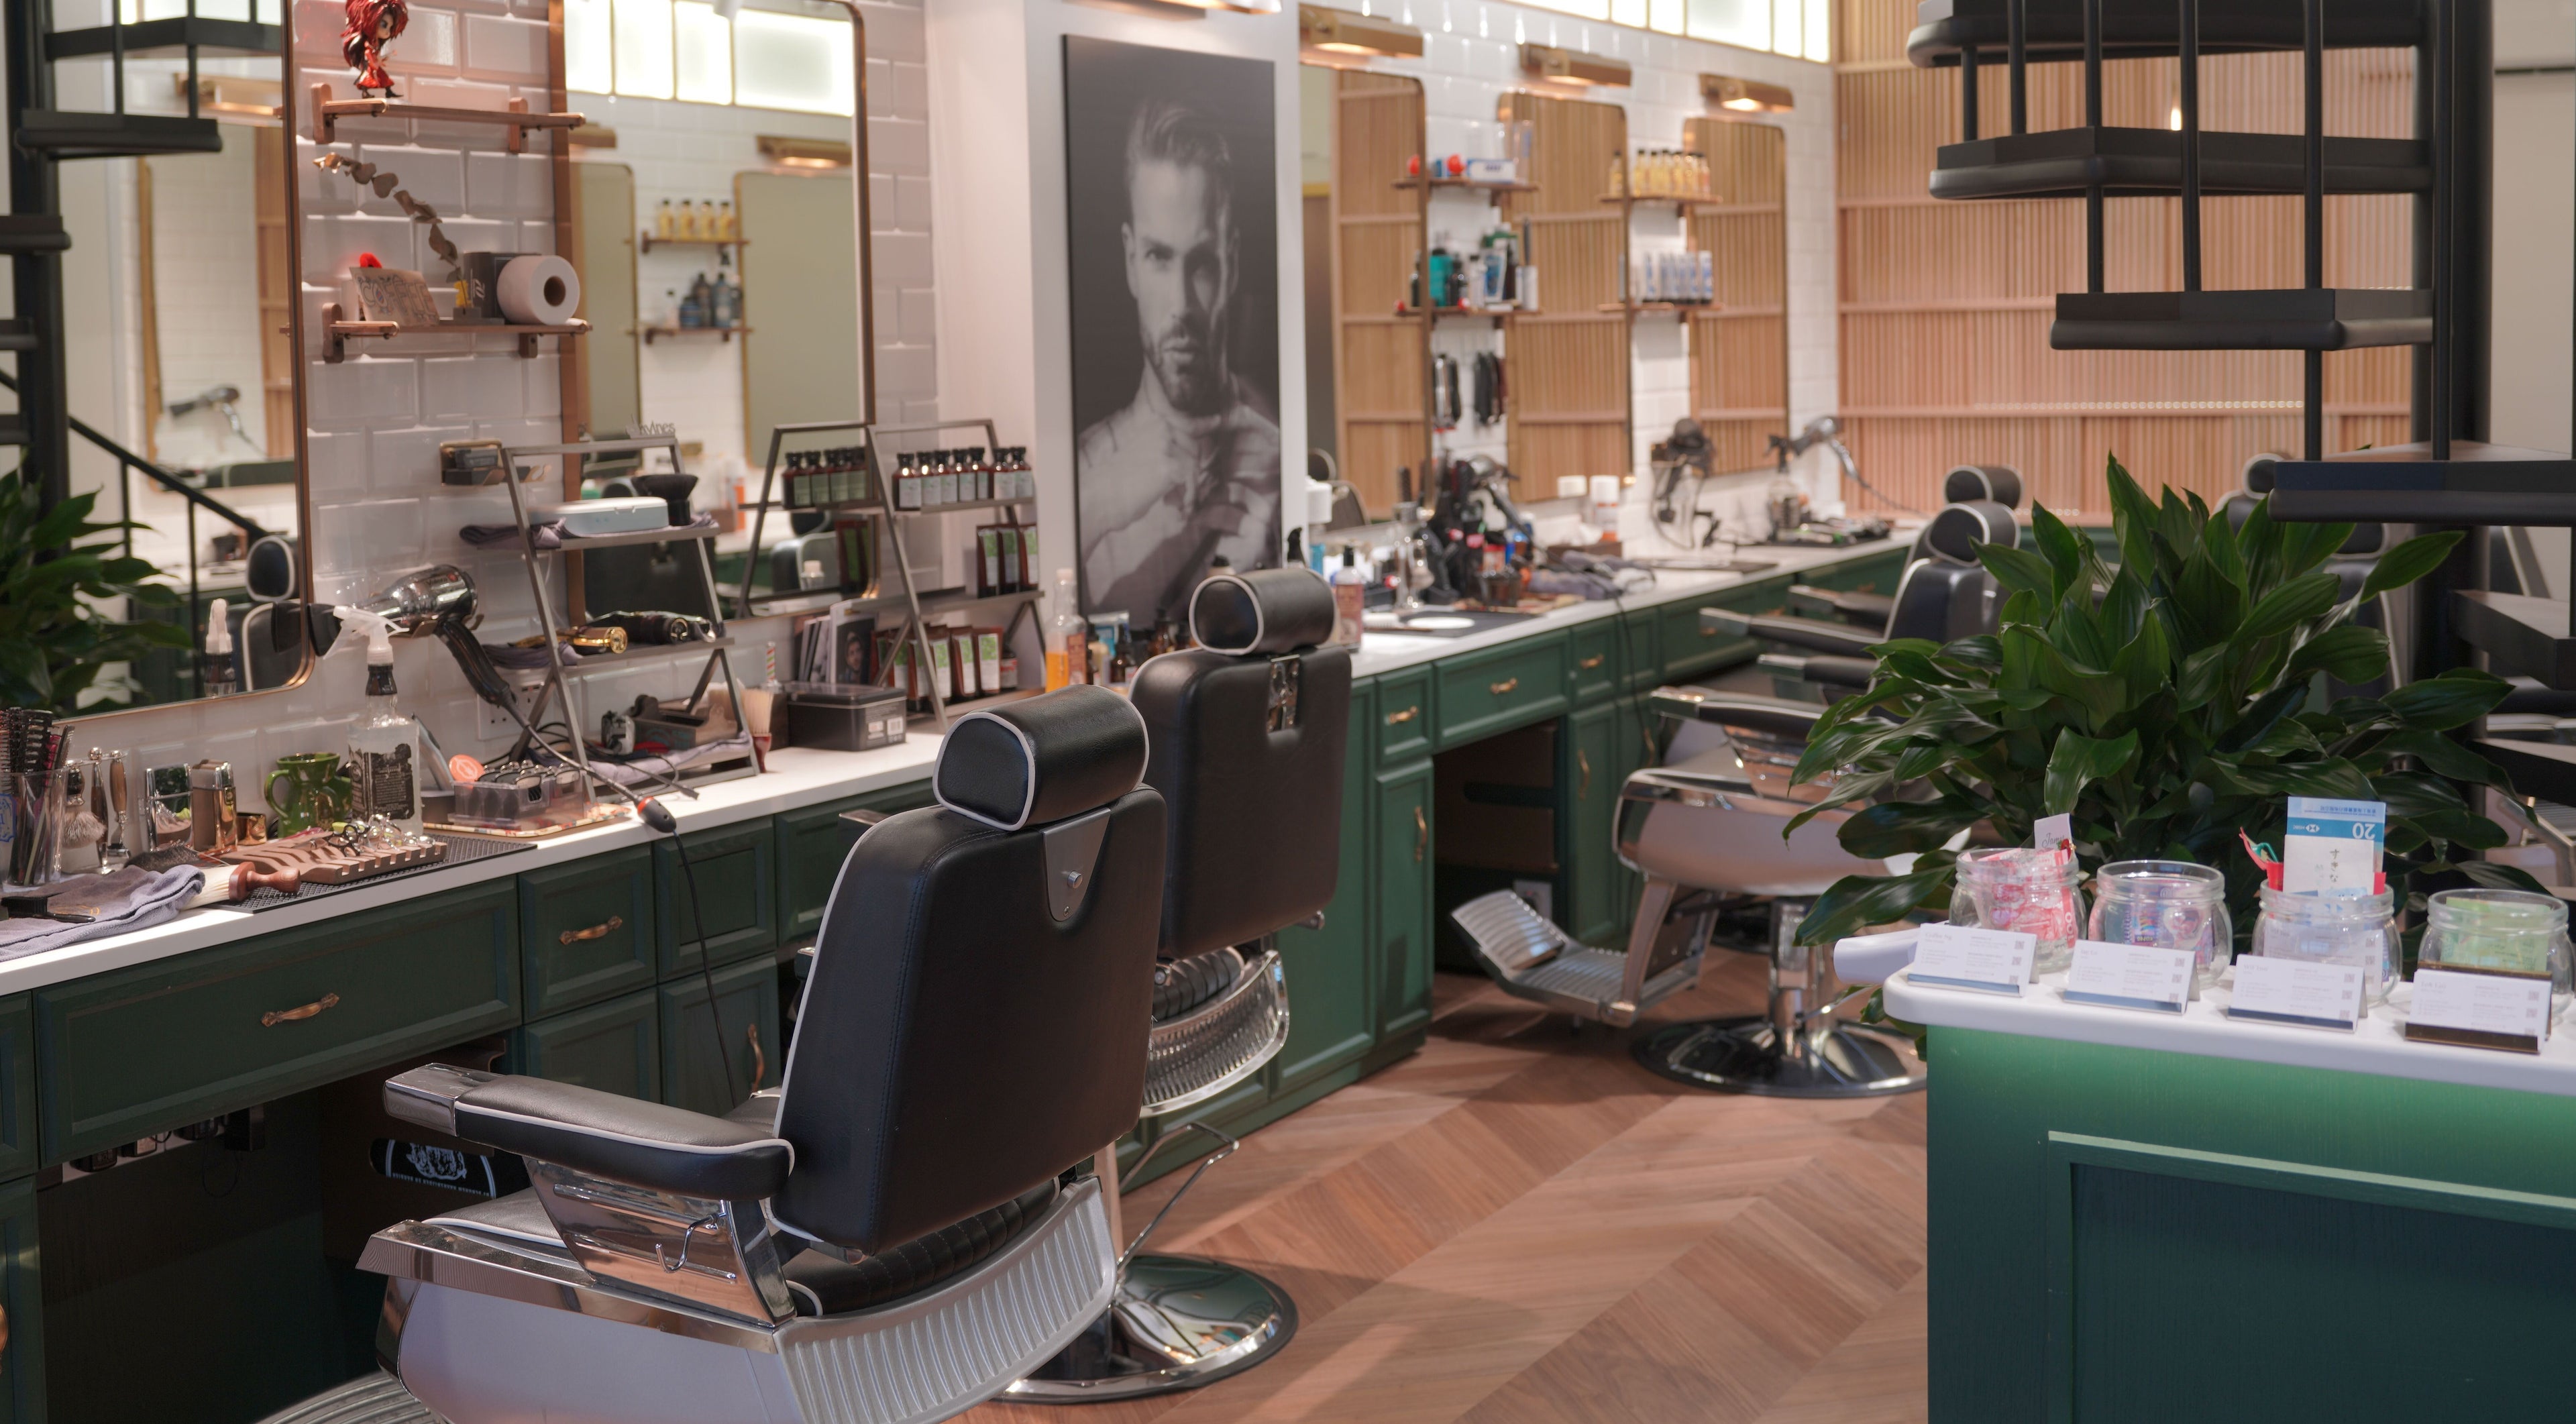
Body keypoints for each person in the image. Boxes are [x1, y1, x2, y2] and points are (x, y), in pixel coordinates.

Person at [1077, 100, 1281, 629]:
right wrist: (1097, 508)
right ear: (1130, 261)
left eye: (1202, 264)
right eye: (1158, 257)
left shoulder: (1275, 462)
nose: (1182, 305)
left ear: (1231, 263)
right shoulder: (1085, 477)